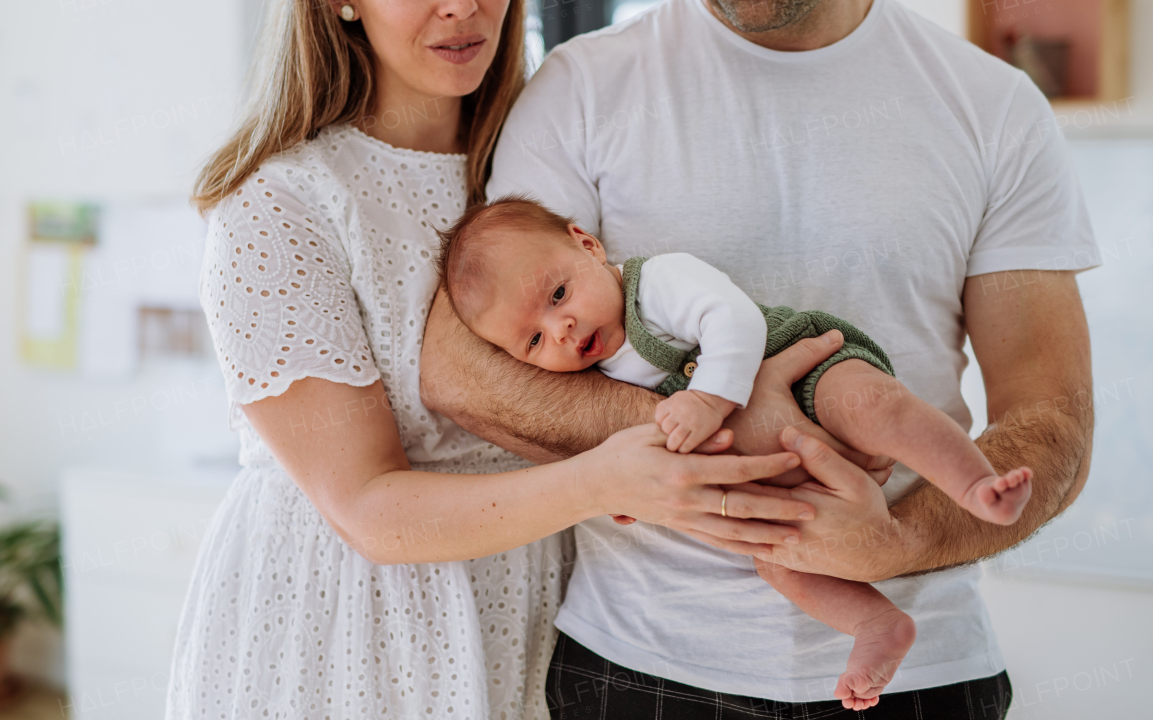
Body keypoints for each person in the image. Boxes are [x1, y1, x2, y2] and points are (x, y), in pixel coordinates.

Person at [419, 0, 1098, 716]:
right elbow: (467, 374)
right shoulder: (581, 86)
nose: (556, 329)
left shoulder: (995, 107)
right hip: (640, 666)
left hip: (925, 673)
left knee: (871, 404)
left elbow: (1052, 418)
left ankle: (878, 612)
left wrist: (896, 543)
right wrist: (693, 449)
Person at [164, 0, 817, 717]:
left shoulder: (538, 158)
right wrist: (602, 481)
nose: (463, 7)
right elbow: (365, 510)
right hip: (353, 623)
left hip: (538, 606)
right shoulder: (279, 204)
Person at [434, 195, 1041, 707]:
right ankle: (875, 623)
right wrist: (621, 491)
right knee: (778, 556)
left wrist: (709, 401)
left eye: (560, 293)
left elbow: (735, 320)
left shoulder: (655, 286)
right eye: (534, 339)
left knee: (877, 407)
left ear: (587, 245)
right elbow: (606, 448)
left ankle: (973, 485)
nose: (562, 329)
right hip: (773, 472)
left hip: (807, 369)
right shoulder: (586, 368)